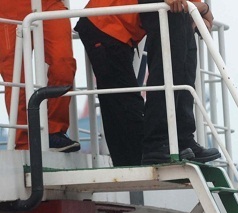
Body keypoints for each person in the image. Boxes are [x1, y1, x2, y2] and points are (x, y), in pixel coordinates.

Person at [137, 0, 219, 164]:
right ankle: (156, 143)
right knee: (166, 74)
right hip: (165, 8)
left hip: (181, 11)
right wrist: (201, 8)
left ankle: (183, 140)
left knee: (185, 75)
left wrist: (200, 9)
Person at [74, 1, 147, 166]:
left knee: (116, 102)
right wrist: (201, 9)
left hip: (110, 26)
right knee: (124, 103)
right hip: (106, 25)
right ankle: (135, 160)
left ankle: (127, 161)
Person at [0, 0, 79, 151]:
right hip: (7, 8)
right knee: (15, 79)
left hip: (49, 4)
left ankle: (54, 131)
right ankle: (24, 142)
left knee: (63, 64)